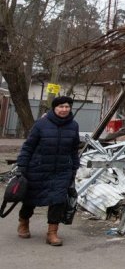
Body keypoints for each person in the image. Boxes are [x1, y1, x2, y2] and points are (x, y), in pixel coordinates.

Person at [15, 95, 80, 246]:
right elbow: (28, 147)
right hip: (38, 169)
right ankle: (23, 222)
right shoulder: (41, 124)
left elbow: (74, 149)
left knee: (58, 201)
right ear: (54, 108)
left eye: (67, 107)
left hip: (61, 170)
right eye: (61, 107)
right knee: (30, 200)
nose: (64, 109)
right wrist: (22, 166)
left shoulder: (74, 126)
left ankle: (52, 233)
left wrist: (74, 167)